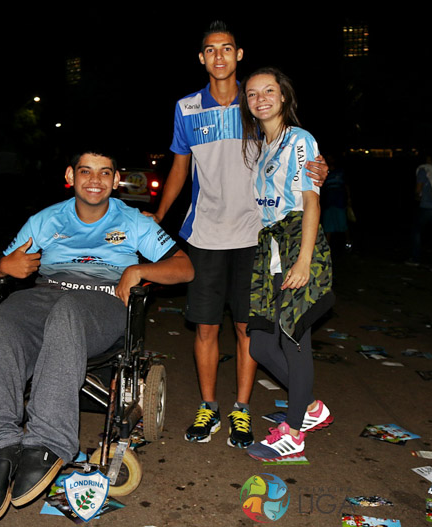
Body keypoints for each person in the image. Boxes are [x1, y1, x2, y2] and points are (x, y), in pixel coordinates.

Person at [0, 149, 194, 521]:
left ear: (115, 180)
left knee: (67, 313)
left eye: (104, 172)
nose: (95, 180)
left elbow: (184, 268)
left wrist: (138, 270)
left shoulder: (134, 221)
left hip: (103, 302)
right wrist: (2, 266)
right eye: (86, 171)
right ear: (71, 176)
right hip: (45, 295)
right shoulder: (45, 220)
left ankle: (46, 442)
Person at [148, 20, 328, 449]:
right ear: (201, 58)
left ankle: (242, 410)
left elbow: (293, 148)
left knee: (248, 329)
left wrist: (319, 169)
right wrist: (159, 215)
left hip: (255, 236)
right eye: (211, 50)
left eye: (227, 48)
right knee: (205, 328)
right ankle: (208, 406)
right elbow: (180, 167)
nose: (219, 56)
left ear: (239, 54)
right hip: (204, 234)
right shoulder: (187, 107)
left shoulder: (256, 101)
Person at [238, 67, 334, 461]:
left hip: (298, 245)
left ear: (283, 96)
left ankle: (294, 432)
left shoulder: (299, 140)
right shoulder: (261, 148)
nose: (260, 99)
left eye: (268, 91)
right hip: (271, 252)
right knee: (261, 343)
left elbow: (311, 201)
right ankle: (309, 407)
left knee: (295, 339)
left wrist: (305, 260)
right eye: (252, 93)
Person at [406, 153, 432, 272]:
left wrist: (418, 197)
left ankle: (415, 258)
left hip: (426, 206)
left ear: (428, 159)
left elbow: (418, 189)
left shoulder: (424, 169)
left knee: (416, 231)